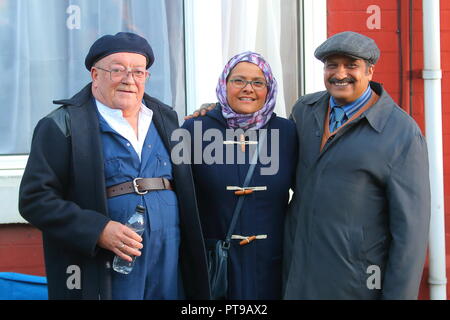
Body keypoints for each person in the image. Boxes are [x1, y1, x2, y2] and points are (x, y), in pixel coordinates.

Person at [18, 32, 210, 300]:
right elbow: (35, 199)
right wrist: (97, 230)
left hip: (168, 264)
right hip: (103, 268)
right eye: (118, 70)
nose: (129, 80)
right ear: (95, 75)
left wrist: (216, 115)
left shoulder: (166, 120)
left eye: (138, 72)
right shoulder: (62, 125)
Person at [283, 31, 431, 299]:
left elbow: (410, 235)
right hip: (297, 277)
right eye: (332, 65)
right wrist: (218, 115)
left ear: (370, 70)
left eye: (351, 65)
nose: (340, 74)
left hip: (354, 286)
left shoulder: (400, 133)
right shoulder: (304, 111)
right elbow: (266, 146)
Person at [182, 51, 297, 299]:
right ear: (225, 84)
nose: (248, 89)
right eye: (239, 80)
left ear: (269, 89)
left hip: (271, 266)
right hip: (215, 266)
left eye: (258, 82)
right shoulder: (193, 130)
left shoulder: (287, 132)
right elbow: (176, 196)